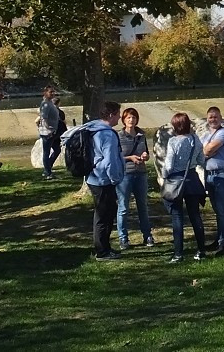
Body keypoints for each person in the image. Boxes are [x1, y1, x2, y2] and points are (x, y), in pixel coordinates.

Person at [162, 112, 207, 264]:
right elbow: (201, 160)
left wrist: (164, 176)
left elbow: (168, 165)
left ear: (176, 126)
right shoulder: (196, 139)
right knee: (195, 216)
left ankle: (178, 254)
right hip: (192, 180)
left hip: (176, 180)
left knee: (177, 217)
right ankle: (201, 250)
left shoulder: (174, 141)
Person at [85, 101, 126, 261]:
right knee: (104, 215)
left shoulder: (93, 128)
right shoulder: (107, 134)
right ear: (111, 114)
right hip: (103, 180)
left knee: (106, 213)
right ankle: (102, 251)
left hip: (94, 177)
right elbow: (110, 161)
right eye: (118, 114)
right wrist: (116, 179)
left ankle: (106, 247)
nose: (119, 117)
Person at [116, 107, 154, 250]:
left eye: (133, 117)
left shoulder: (141, 135)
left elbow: (147, 154)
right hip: (125, 175)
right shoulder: (118, 136)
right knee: (123, 207)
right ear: (124, 120)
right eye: (128, 118)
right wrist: (130, 158)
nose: (131, 120)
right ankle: (123, 238)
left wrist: (145, 156)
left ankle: (147, 235)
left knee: (143, 206)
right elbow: (116, 156)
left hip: (141, 173)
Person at [201, 106, 224, 256]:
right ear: (207, 119)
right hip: (209, 175)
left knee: (221, 209)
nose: (213, 119)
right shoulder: (205, 135)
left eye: (216, 117)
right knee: (216, 209)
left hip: (222, 175)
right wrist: (207, 152)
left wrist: (208, 152)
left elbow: (206, 151)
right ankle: (219, 239)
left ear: (221, 118)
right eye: (210, 117)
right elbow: (200, 153)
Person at [35, 86, 61, 180]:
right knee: (46, 152)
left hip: (53, 132)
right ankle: (48, 173)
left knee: (57, 150)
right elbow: (44, 118)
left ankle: (47, 168)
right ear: (45, 93)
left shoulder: (50, 103)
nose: (53, 94)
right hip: (47, 133)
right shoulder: (45, 104)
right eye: (50, 92)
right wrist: (48, 130)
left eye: (53, 92)